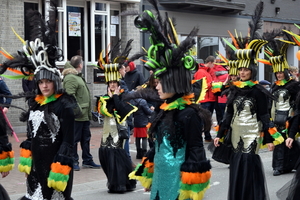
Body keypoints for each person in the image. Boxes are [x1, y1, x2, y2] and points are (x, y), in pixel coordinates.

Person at [128, 6, 211, 200]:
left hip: (178, 181)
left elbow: (195, 149)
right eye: (156, 82)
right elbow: (158, 146)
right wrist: (150, 175)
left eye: (161, 83)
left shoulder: (189, 113)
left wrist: (191, 186)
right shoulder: (163, 109)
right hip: (161, 178)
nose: (157, 87)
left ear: (175, 82)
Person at [213, 3, 283, 199]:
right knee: (236, 164)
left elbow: (264, 115)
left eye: (246, 70)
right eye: (240, 70)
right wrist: (220, 133)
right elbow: (228, 114)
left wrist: (270, 139)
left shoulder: (259, 91)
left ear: (252, 70)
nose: (242, 72)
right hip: (235, 132)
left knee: (248, 162)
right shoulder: (234, 89)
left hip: (252, 133)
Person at [96, 56, 137, 193]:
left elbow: (122, 110)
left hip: (119, 131)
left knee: (119, 157)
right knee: (107, 155)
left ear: (118, 84)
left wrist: (115, 97)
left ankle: (122, 183)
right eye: (110, 83)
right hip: (108, 130)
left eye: (114, 83)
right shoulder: (104, 98)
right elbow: (104, 111)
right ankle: (116, 181)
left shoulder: (123, 95)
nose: (112, 85)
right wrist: (109, 99)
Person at [63, 55, 101, 171]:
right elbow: (70, 97)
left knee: (86, 138)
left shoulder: (77, 76)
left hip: (84, 115)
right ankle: (73, 160)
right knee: (74, 139)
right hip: (77, 116)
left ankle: (87, 160)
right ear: (80, 65)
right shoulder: (71, 77)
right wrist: (77, 111)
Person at [194, 55, 217, 142]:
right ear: (210, 63)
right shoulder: (201, 72)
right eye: (213, 63)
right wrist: (212, 84)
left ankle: (207, 136)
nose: (214, 66)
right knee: (204, 119)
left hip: (209, 98)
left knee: (207, 119)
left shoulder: (206, 72)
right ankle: (201, 137)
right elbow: (200, 87)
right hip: (205, 99)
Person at [130, 93, 154, 159]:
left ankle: (138, 153)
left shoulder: (133, 101)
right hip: (143, 121)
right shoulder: (143, 101)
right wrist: (153, 111)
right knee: (144, 138)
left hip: (136, 122)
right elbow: (148, 111)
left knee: (137, 138)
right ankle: (144, 153)